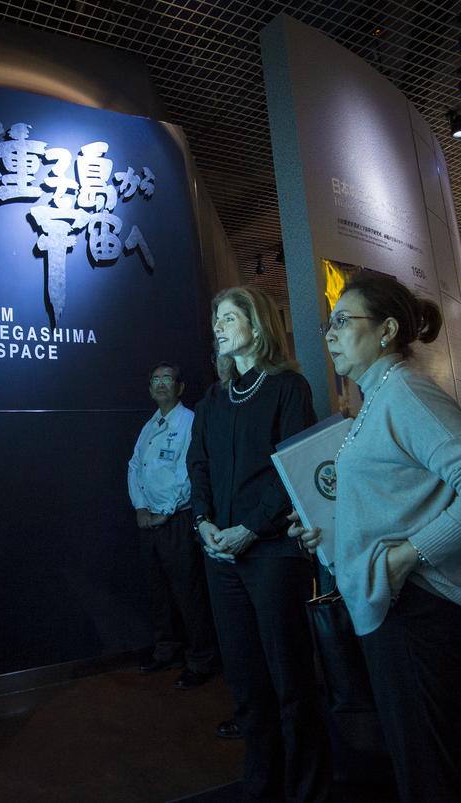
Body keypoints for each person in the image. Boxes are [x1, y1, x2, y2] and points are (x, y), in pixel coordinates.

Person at [292, 273, 461, 802]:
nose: (331, 334)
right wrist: (330, 533)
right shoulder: (377, 397)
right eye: (330, 323)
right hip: (398, 608)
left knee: (430, 775)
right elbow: (392, 500)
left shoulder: (406, 392)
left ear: (387, 329)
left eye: (344, 322)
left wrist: (410, 556)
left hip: (419, 610)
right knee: (421, 764)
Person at [188, 286, 330, 802]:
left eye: (229, 318)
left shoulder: (289, 388)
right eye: (216, 319)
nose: (219, 327)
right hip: (221, 556)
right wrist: (203, 521)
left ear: (257, 324)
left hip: (271, 554)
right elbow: (197, 466)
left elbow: (293, 468)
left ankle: (309, 791)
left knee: (291, 680)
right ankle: (261, 787)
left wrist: (251, 527)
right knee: (246, 685)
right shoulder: (212, 399)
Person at [128, 361, 219, 689]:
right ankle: (166, 650)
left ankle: (202, 659)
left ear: (180, 387)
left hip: (177, 521)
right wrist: (140, 506)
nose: (161, 384)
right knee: (159, 593)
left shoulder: (190, 422)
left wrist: (165, 511)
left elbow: (190, 471)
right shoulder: (150, 425)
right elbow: (134, 465)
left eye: (167, 379)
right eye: (155, 379)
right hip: (149, 522)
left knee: (189, 594)